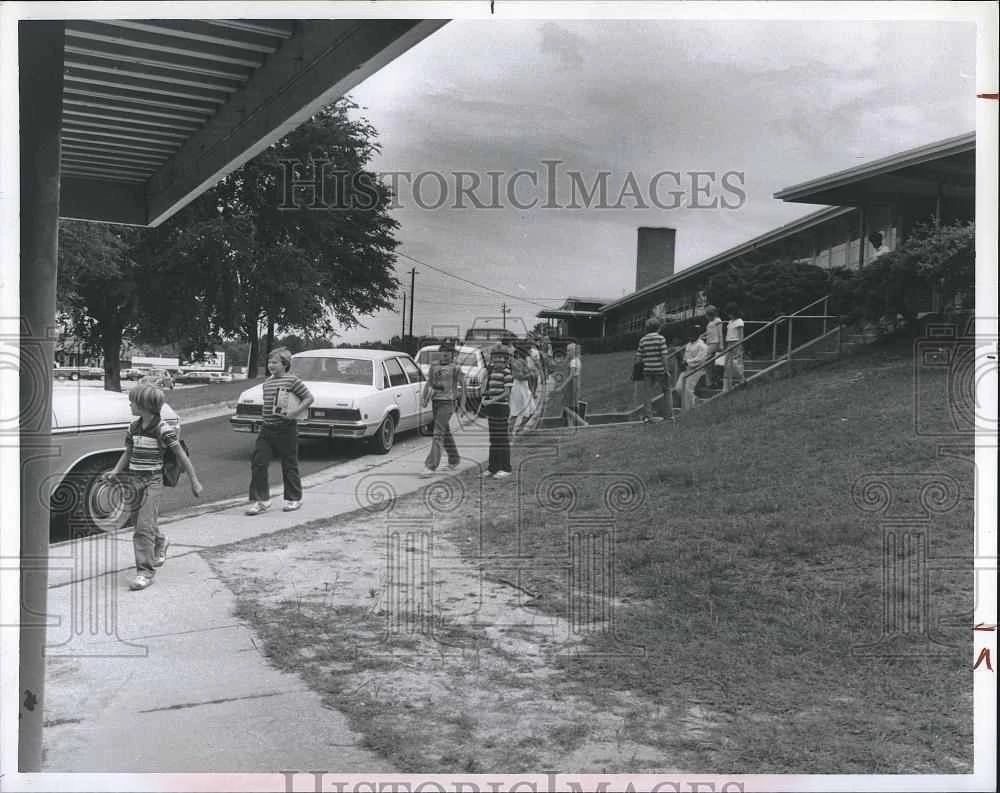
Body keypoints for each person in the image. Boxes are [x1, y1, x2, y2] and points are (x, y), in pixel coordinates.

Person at [103, 384, 203, 591]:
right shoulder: (133, 427)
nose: (130, 405)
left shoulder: (163, 430)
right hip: (134, 480)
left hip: (152, 481)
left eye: (132, 402)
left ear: (144, 405)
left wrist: (195, 481)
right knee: (140, 522)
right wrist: (116, 471)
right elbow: (128, 452)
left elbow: (181, 456)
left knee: (142, 527)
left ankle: (145, 572)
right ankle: (160, 540)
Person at [246, 347, 314, 515]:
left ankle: (294, 499)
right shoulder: (267, 382)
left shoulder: (292, 380)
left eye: (275, 362)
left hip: (286, 429)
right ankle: (262, 500)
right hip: (267, 428)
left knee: (289, 464)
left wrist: (294, 413)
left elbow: (308, 398)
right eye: (269, 362)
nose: (271, 365)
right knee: (258, 463)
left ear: (285, 364)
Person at [420, 338, 465, 477]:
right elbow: (429, 383)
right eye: (443, 351)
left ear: (453, 354)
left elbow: (463, 386)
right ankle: (454, 458)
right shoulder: (434, 366)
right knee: (445, 431)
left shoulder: (455, 368)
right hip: (436, 401)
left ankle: (431, 465)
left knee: (438, 433)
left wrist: (463, 405)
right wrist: (424, 398)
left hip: (448, 402)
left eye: (449, 352)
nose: (445, 354)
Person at [480, 344, 514, 479]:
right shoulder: (491, 372)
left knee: (502, 439)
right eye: (495, 357)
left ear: (506, 359)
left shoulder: (507, 373)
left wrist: (491, 400)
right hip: (492, 408)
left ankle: (505, 468)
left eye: (501, 357)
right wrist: (485, 396)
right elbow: (486, 389)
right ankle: (492, 467)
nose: (498, 360)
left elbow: (506, 393)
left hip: (501, 408)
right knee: (493, 439)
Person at [635, 318, 672, 422]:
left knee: (647, 393)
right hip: (660, 369)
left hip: (647, 369)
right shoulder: (661, 338)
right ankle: (668, 415)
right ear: (658, 327)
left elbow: (638, 357)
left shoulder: (643, 340)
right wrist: (667, 370)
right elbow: (663, 356)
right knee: (667, 390)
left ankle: (648, 416)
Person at [676, 325, 709, 411]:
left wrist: (687, 362)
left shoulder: (702, 346)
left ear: (697, 335)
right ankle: (694, 400)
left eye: (692, 334)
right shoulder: (688, 345)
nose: (690, 337)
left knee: (688, 388)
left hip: (697, 370)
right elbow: (685, 357)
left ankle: (689, 409)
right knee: (678, 388)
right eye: (689, 335)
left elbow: (700, 359)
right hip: (687, 369)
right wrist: (683, 362)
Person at [509, 346, 535, 437]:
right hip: (518, 388)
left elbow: (530, 373)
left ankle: (519, 429)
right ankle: (509, 433)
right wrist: (529, 374)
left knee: (531, 410)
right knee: (515, 412)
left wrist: (529, 374)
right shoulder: (516, 363)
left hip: (525, 387)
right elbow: (519, 376)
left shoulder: (524, 362)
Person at [722, 302, 747, 392]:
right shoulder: (730, 322)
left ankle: (741, 378)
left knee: (734, 363)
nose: (729, 315)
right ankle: (727, 386)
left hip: (736, 343)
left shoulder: (739, 321)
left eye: (730, 313)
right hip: (729, 344)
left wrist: (740, 346)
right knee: (726, 364)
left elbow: (741, 335)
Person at [702, 305, 724, 388]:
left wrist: (721, 345)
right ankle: (713, 382)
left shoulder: (717, 321)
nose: (706, 317)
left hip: (715, 343)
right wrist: (703, 336)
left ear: (710, 314)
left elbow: (720, 333)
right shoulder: (710, 322)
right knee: (710, 363)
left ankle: (710, 382)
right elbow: (710, 333)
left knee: (705, 361)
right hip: (709, 343)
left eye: (706, 315)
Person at [561, 342, 582, 421]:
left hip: (572, 383)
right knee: (572, 405)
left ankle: (582, 422)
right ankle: (571, 423)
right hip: (576, 382)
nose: (567, 352)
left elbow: (571, 375)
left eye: (568, 350)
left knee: (565, 406)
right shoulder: (577, 360)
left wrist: (562, 386)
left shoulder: (573, 361)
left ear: (573, 351)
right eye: (567, 350)